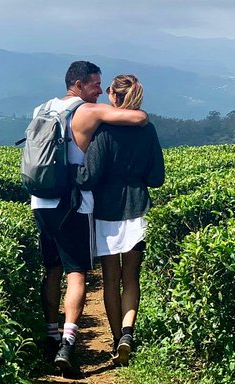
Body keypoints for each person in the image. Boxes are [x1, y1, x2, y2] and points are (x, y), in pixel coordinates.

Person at [30, 61, 148, 373]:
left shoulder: (42, 109)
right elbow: (137, 117)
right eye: (95, 84)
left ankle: (50, 333)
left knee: (51, 268)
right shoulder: (88, 111)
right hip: (71, 203)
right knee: (77, 273)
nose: (99, 90)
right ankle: (68, 345)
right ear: (79, 84)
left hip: (40, 199)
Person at [74, 74, 165, 366]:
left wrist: (72, 175)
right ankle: (128, 333)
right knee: (132, 278)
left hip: (107, 211)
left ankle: (116, 341)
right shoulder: (147, 130)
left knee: (111, 279)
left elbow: (89, 176)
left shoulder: (103, 132)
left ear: (113, 96)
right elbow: (157, 177)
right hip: (137, 208)